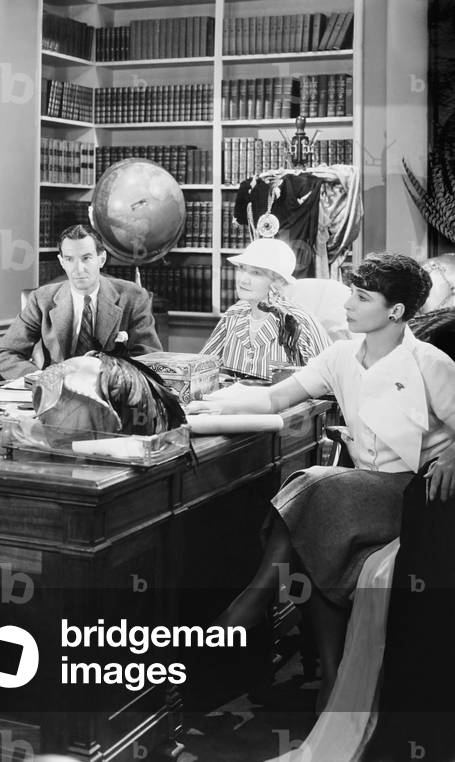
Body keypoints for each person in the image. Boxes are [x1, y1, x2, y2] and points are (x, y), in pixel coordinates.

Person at [188, 253, 455, 716]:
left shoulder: (430, 363)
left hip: (416, 496)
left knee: (315, 482)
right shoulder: (340, 356)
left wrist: (453, 450)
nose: (348, 304)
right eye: (352, 292)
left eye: (362, 297)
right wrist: (202, 406)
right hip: (361, 492)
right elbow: (274, 396)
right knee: (319, 534)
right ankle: (332, 677)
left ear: (395, 312)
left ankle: (250, 605)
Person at [0, 224, 162, 379]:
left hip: (112, 392)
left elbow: (149, 357)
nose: (78, 269)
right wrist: (41, 378)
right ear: (62, 262)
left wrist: (114, 380)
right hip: (57, 394)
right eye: (70, 259)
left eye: (86, 258)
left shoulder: (133, 297)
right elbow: (4, 353)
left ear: (101, 259)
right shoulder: (42, 299)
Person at [200, 238, 331, 381]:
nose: (243, 280)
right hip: (231, 400)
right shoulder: (233, 315)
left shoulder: (297, 320)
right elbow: (202, 366)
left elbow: (329, 376)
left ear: (279, 281)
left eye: (256, 273)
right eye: (242, 269)